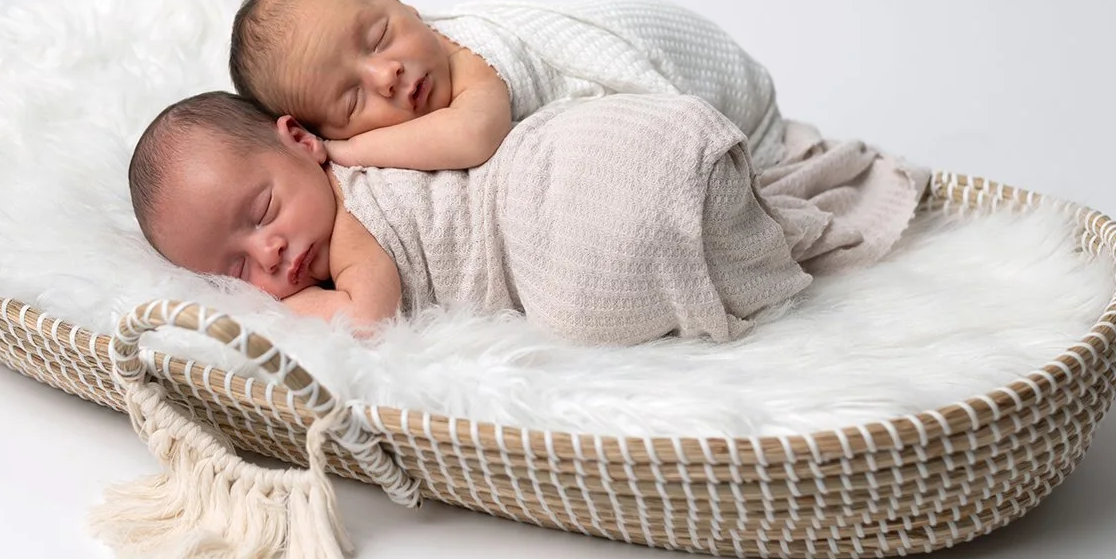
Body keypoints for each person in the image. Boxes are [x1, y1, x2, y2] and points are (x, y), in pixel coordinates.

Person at [129, 91, 924, 345]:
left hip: (541, 192)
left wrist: (305, 306)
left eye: (260, 212)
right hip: (563, 184)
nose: (268, 255)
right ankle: (712, 212)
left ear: (302, 142)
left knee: (588, 276)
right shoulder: (325, 205)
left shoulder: (353, 215)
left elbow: (369, 319)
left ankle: (700, 198)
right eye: (235, 268)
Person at [227, 0, 786, 171]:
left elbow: (475, 134)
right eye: (352, 103)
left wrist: (349, 150)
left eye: (379, 37)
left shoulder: (468, 58)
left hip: (680, 51)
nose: (386, 76)